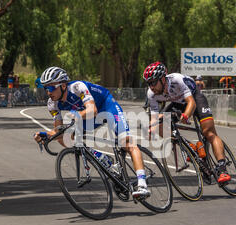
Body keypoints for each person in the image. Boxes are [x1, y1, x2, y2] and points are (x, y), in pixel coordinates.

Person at [33, 66, 150, 199]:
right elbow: (59, 131)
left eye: (51, 88)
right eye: (46, 88)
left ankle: (142, 184)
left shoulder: (77, 87)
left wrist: (76, 115)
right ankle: (101, 157)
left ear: (63, 85)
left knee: (127, 142)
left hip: (106, 107)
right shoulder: (52, 104)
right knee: (64, 137)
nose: (48, 92)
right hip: (89, 116)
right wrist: (45, 135)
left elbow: (92, 110)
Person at [143, 61, 231, 184]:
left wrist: (186, 116)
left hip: (195, 99)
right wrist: (151, 128)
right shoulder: (151, 94)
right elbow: (154, 117)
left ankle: (222, 169)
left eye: (153, 82)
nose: (151, 87)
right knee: (159, 127)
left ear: (163, 79)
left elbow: (191, 103)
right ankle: (191, 147)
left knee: (209, 132)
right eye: (148, 83)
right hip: (178, 103)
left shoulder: (177, 80)